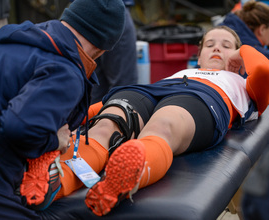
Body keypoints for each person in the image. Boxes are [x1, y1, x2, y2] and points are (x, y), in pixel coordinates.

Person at [21, 25, 269, 217]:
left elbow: (264, 71)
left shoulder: (243, 85)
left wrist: (243, 52)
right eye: (210, 45)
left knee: (163, 126)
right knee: (107, 125)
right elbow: (109, 106)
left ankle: (128, 172)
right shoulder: (181, 72)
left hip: (205, 98)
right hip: (151, 91)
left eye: (226, 46)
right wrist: (84, 116)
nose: (217, 49)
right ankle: (50, 184)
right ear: (199, 56)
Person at [0, 0, 125, 218]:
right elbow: (19, 127)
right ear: (101, 50)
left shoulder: (11, 42)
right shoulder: (65, 70)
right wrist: (56, 140)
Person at [90, 0, 138, 104]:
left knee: (96, 87)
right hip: (113, 9)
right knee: (124, 91)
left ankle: (94, 120)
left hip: (87, 11)